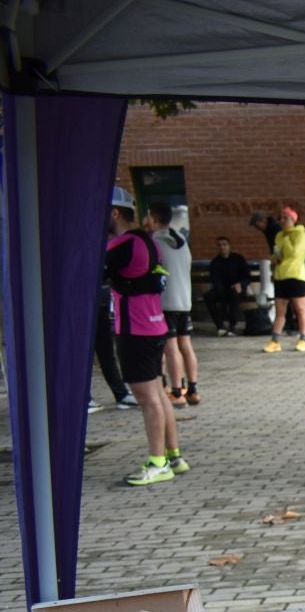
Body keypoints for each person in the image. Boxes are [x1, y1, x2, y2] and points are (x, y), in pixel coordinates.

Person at [106, 197, 188, 485]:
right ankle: (173, 456)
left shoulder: (122, 245)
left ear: (114, 213)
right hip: (154, 326)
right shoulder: (148, 241)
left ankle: (158, 463)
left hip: (135, 330)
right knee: (157, 393)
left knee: (148, 399)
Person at [146, 203, 200, 405]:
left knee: (170, 347)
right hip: (184, 301)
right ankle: (192, 389)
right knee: (185, 344)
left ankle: (176, 392)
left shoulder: (155, 243)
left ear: (154, 218)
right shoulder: (182, 241)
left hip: (167, 302)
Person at [263, 205, 305, 353]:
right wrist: (274, 258)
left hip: (296, 275)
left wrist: (287, 238)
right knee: (280, 311)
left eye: (286, 218)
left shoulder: (300, 234)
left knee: (300, 309)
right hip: (281, 275)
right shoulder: (279, 235)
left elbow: (294, 253)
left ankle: (303, 339)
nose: (282, 221)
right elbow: (277, 254)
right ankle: (274, 340)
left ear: (293, 220)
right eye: (281, 218)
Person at [205, 235, 250, 335]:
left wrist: (240, 284)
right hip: (221, 289)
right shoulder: (215, 262)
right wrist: (220, 291)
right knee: (208, 296)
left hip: (237, 288)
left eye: (224, 244)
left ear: (229, 246)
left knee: (234, 295)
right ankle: (220, 326)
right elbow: (215, 279)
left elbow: (247, 276)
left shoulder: (238, 259)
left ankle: (232, 326)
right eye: (219, 245)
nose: (222, 247)